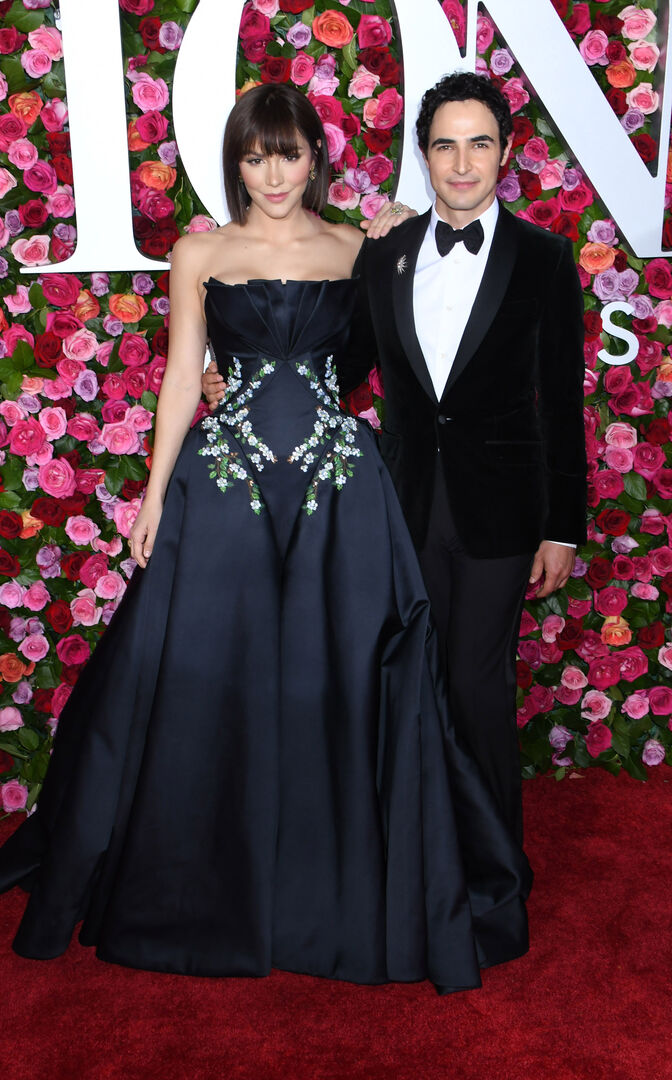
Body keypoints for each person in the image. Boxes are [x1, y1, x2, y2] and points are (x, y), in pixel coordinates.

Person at [0, 83, 530, 992]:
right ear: (235, 164)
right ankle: (200, 878)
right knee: (207, 674)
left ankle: (331, 877)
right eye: (254, 156)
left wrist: (404, 230)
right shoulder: (199, 252)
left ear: (316, 158)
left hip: (337, 493)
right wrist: (153, 496)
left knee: (334, 676)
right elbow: (179, 377)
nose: (273, 175)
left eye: (289, 154)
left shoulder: (363, 249)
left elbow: (407, 361)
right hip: (224, 488)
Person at [204, 72, 587, 853]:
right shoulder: (389, 252)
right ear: (424, 153)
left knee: (476, 680)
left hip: (502, 508)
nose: (462, 163)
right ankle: (423, 855)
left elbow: (562, 402)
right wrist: (245, 377)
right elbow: (341, 365)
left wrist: (563, 528)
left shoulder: (545, 258)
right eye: (445, 145)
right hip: (402, 503)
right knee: (415, 674)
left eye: (479, 144)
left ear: (505, 151)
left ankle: (493, 866)